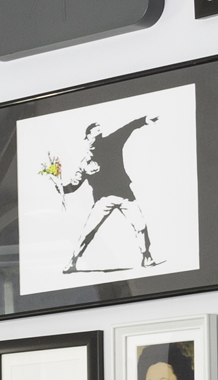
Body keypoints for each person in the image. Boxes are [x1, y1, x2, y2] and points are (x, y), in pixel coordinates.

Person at [53, 115, 160, 275]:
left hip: (125, 195)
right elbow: (73, 186)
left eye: (99, 129)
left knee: (141, 226)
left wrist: (144, 120)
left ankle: (147, 257)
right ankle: (72, 262)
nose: (98, 131)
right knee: (88, 231)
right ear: (87, 137)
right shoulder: (85, 162)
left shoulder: (112, 142)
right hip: (103, 200)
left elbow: (128, 128)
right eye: (94, 130)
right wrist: (59, 186)